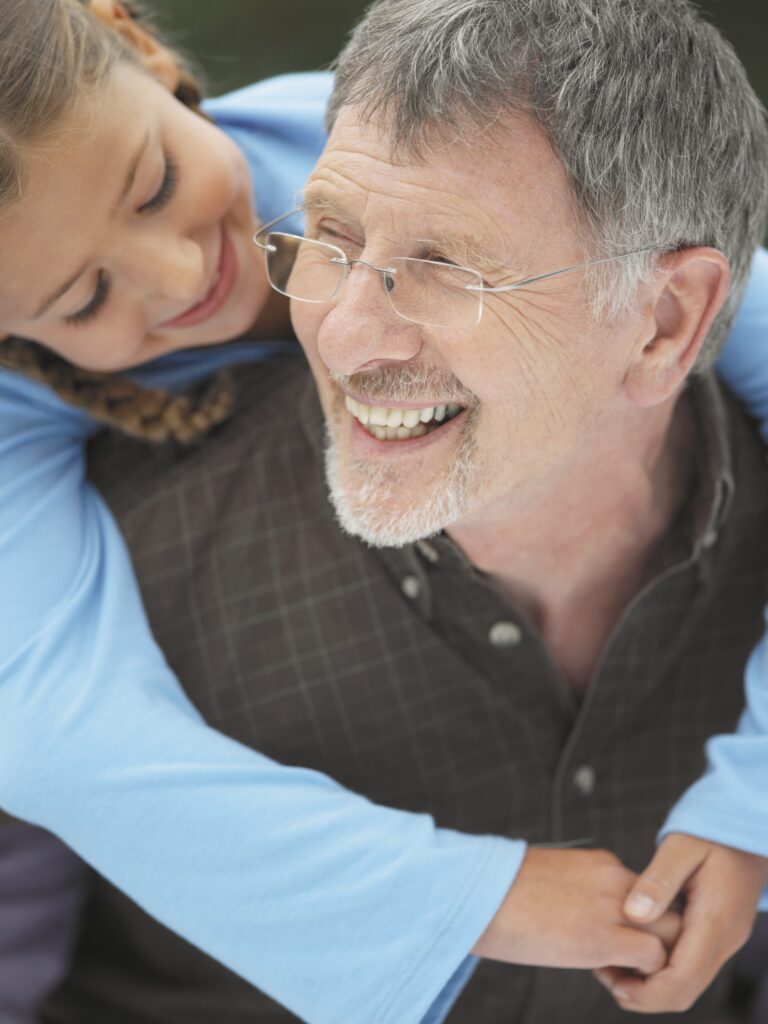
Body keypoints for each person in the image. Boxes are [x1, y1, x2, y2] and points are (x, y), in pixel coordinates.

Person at [1, 0, 768, 1022]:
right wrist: (468, 897)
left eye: (157, 188)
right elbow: (56, 740)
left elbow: (696, 298)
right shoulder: (62, 460)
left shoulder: (432, 136)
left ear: (140, 46)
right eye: (85, 297)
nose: (184, 276)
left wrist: (751, 802)